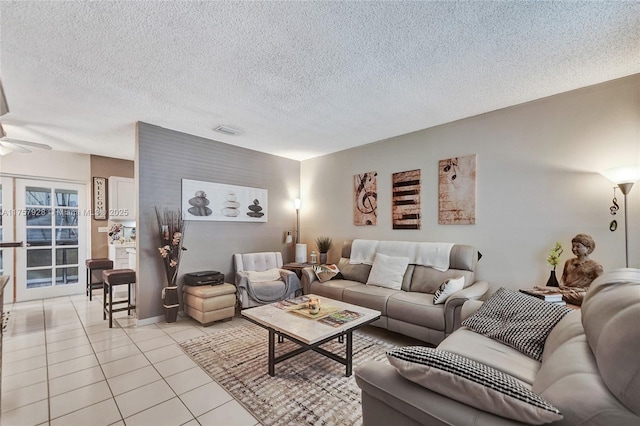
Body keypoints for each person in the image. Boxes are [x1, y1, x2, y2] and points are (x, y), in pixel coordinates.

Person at [559, 234, 603, 305]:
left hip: (580, 293)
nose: (574, 249)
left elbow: (599, 285)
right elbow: (564, 277)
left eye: (578, 246)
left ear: (588, 248)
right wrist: (561, 284)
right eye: (573, 246)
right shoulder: (569, 262)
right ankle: (559, 296)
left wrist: (582, 290)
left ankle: (559, 297)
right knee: (538, 290)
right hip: (566, 290)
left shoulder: (595, 266)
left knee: (583, 296)